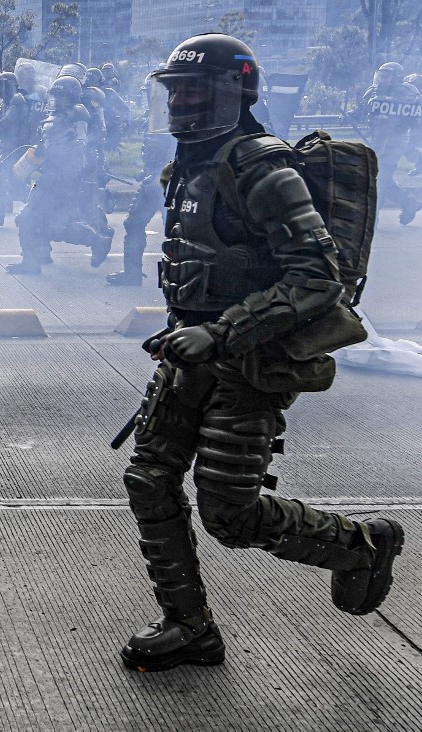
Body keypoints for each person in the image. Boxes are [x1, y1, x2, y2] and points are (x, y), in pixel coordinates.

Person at [118, 33, 403, 673]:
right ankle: (189, 627)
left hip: (251, 363)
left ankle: (362, 545)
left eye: (195, 89)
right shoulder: (192, 163)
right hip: (191, 355)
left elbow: (317, 277)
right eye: (175, 89)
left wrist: (218, 333)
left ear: (234, 91)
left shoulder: (263, 170)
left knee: (230, 514)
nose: (181, 101)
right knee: (149, 477)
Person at [5, 76, 97, 275]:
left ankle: (97, 241)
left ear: (71, 97)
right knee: (39, 218)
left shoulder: (78, 114)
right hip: (50, 175)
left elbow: (78, 145)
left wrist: (50, 153)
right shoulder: (55, 116)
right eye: (55, 96)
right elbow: (51, 143)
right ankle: (39, 255)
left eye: (61, 96)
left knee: (33, 218)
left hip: (64, 177)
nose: (57, 100)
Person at [106, 69, 175, 286]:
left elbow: (175, 153)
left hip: (170, 184)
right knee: (134, 223)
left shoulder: (175, 117)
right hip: (153, 181)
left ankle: (178, 278)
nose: (150, 95)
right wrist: (146, 172)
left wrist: (157, 175)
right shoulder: (152, 117)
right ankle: (132, 274)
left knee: (176, 230)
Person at [354, 62, 421, 225]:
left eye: (387, 76)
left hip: (396, 142)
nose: (382, 79)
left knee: (380, 178)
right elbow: (360, 111)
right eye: (381, 75)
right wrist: (349, 115)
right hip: (377, 141)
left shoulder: (407, 92)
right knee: (382, 178)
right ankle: (409, 203)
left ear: (397, 77)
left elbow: (413, 117)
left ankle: (372, 219)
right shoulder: (372, 91)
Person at [0, 72, 32, 227]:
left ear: (12, 86)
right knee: (8, 182)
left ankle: (38, 207)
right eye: (0, 87)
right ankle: (0, 213)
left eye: (5, 87)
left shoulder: (17, 101)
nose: (1, 91)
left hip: (15, 148)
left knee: (3, 180)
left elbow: (13, 125)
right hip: (9, 147)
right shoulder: (7, 103)